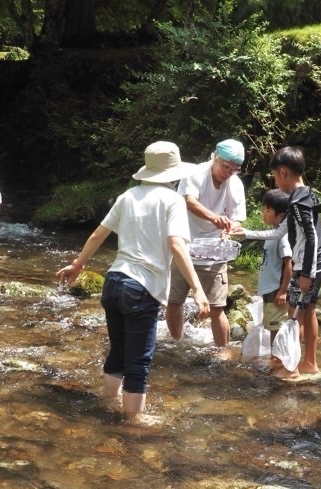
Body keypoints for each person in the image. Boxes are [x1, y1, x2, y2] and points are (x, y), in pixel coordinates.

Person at [57, 141, 209, 426]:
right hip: (142, 288)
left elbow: (98, 235)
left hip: (113, 282)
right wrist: (198, 289)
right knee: (138, 361)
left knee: (118, 350)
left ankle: (109, 403)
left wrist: (78, 265)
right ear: (173, 173)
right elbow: (176, 245)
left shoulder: (128, 196)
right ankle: (133, 421)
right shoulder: (172, 201)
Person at [165, 139, 247, 353]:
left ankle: (223, 351)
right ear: (214, 157)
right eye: (225, 167)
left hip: (215, 252)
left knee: (217, 307)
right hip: (184, 247)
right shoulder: (196, 174)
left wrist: (229, 227)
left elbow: (238, 218)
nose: (227, 172)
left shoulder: (235, 183)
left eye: (234, 169)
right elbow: (188, 201)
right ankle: (177, 343)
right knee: (174, 302)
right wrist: (214, 218)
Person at [234, 189, 297, 378]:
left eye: (268, 210)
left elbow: (289, 264)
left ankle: (280, 362)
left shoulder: (283, 237)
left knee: (276, 327)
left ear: (281, 215)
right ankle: (275, 359)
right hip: (270, 289)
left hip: (277, 290)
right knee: (271, 326)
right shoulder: (273, 234)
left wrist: (284, 291)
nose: (264, 213)